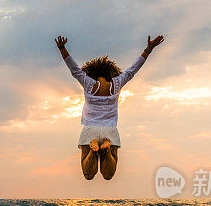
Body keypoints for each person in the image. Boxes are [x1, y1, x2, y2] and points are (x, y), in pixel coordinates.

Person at [56, 34, 164, 180]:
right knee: (108, 175)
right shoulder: (117, 83)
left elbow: (74, 69)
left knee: (88, 174)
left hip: (90, 129)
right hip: (110, 130)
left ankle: (93, 151)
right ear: (111, 71)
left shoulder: (88, 83)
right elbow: (133, 69)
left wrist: (62, 48)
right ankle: (105, 150)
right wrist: (148, 49)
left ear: (92, 71)